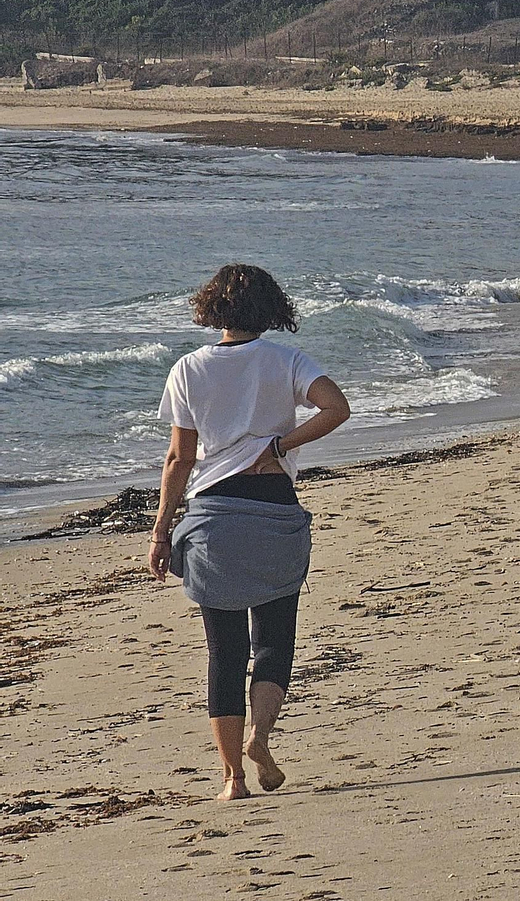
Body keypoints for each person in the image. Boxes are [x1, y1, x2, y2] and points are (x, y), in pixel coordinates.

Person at [146, 264, 350, 801]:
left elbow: (179, 458)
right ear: (270, 308)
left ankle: (233, 779)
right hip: (275, 510)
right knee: (275, 640)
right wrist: (279, 446)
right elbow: (337, 408)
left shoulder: (189, 368)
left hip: (214, 517)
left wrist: (161, 531)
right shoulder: (287, 360)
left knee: (225, 652)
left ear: (211, 307)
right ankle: (261, 736)